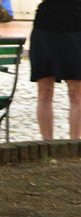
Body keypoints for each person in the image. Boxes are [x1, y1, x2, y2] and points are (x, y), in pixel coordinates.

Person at [30, 0, 81, 140]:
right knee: (44, 92)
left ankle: (75, 146)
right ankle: (47, 145)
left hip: (76, 29)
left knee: (76, 94)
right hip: (45, 29)